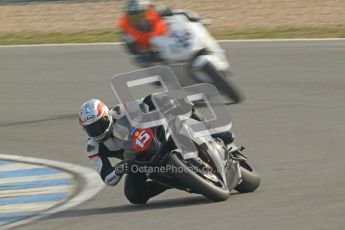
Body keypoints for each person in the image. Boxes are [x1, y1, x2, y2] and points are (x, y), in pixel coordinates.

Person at [79, 98, 234, 204]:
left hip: (155, 136)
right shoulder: (94, 147)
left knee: (182, 104)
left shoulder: (121, 111)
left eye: (98, 125)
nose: (95, 131)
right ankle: (177, 180)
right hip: (138, 161)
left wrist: (164, 102)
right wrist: (122, 168)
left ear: (106, 116)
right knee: (133, 195)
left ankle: (214, 132)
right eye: (90, 128)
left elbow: (147, 100)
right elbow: (107, 178)